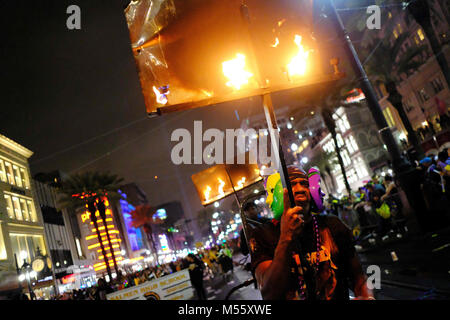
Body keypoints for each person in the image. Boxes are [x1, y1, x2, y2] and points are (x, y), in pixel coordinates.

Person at [250, 166, 374, 300]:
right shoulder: (262, 235)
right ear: (280, 193)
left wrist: (367, 296)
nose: (301, 189)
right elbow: (269, 293)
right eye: (292, 184)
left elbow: (359, 277)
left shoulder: (332, 225)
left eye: (305, 184)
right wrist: (286, 237)